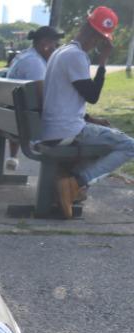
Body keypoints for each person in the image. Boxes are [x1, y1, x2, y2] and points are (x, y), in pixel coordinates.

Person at [42, 6, 134, 217]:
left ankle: (71, 184)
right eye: (99, 38)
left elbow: (64, 98)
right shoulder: (76, 55)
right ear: (92, 34)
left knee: (107, 137)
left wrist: (91, 118)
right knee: (129, 146)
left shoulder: (61, 51)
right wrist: (102, 63)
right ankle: (76, 183)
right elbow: (92, 96)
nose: (96, 42)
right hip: (66, 130)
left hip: (53, 128)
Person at [2, 25, 64, 170]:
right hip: (25, 122)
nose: (57, 49)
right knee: (74, 136)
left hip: (12, 117)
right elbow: (42, 99)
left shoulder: (25, 56)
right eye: (56, 45)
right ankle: (61, 183)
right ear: (45, 44)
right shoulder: (35, 63)